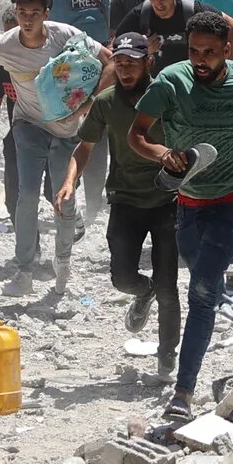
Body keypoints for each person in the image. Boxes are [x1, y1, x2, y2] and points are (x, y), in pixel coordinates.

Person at [129, 11, 233, 424]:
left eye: (210, 52)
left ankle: (183, 392)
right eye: (194, 51)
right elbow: (137, 134)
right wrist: (163, 154)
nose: (200, 60)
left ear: (227, 49)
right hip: (189, 201)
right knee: (202, 274)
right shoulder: (172, 81)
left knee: (202, 291)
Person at [0, 0, 110, 296]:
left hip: (66, 130)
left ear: (46, 13)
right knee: (28, 195)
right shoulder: (3, 45)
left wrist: (88, 104)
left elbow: (110, 60)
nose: (27, 19)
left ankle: (63, 262)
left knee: (63, 198)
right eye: (22, 12)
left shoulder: (66, 35)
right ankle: (24, 270)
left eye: (35, 13)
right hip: (28, 124)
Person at [63, 34, 179, 379]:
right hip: (125, 198)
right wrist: (70, 181)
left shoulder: (168, 94)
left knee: (169, 287)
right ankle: (143, 292)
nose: (125, 70)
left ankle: (167, 355)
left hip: (168, 199)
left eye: (132, 64)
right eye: (120, 64)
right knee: (122, 277)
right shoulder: (106, 101)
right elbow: (84, 146)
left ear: (148, 63)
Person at [115, 0, 193, 72]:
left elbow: (221, 30)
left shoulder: (192, 12)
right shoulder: (140, 15)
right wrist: (142, 50)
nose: (158, 4)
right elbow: (117, 51)